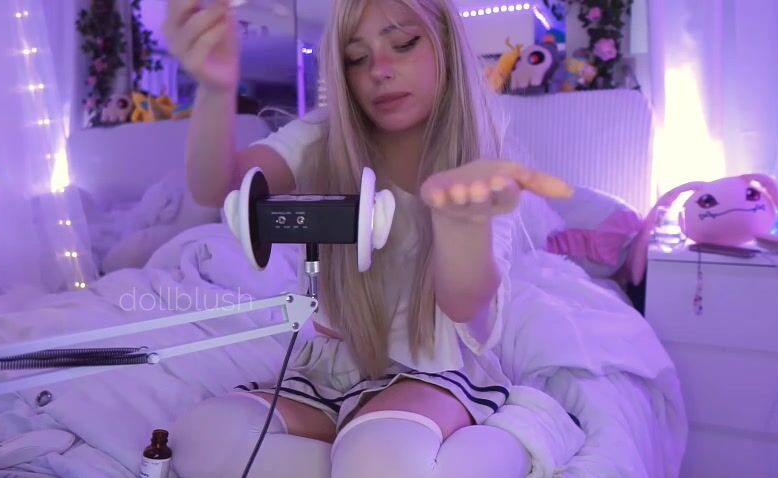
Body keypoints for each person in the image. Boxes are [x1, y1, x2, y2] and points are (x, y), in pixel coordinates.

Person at [163, 0, 572, 476]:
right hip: (329, 371)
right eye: (356, 58)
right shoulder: (322, 137)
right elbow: (222, 188)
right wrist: (215, 88)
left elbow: (470, 310)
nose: (379, 70)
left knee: (376, 456)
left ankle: (504, 441)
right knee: (200, 438)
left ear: (446, 45)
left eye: (403, 43)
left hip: (430, 372)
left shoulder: (478, 166)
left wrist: (460, 224)